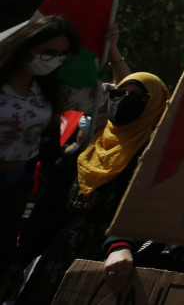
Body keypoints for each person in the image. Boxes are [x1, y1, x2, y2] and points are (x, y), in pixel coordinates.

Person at [15, 72, 170, 305]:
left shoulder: (155, 161)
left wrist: (121, 246)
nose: (124, 100)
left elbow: (149, 214)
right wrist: (17, 264)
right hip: (56, 267)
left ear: (156, 105)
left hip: (113, 273)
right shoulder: (86, 153)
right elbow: (47, 212)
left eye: (137, 96)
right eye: (119, 93)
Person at [0, 16, 82, 294]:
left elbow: (120, 92)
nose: (54, 60)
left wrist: (114, 49)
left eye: (62, 55)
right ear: (27, 46)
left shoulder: (48, 92)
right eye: (49, 52)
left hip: (16, 183)